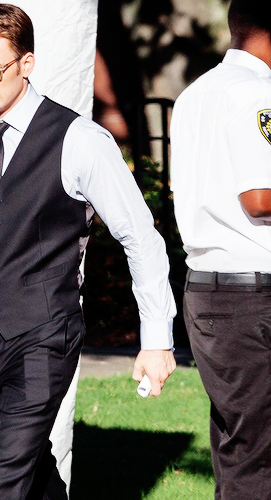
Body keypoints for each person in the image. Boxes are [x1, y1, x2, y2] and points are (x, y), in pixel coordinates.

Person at [0, 4, 176, 499]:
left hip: (44, 337)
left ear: (26, 63)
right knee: (30, 476)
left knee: (3, 484)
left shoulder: (80, 140)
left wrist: (157, 338)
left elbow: (140, 237)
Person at [170, 1, 271, 498]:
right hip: (255, 295)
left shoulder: (196, 93)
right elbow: (259, 197)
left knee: (242, 450)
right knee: (257, 459)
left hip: (211, 291)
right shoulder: (257, 92)